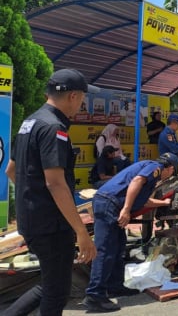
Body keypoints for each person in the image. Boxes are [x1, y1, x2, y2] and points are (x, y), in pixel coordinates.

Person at [3, 68, 99, 316]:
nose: (82, 104)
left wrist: (31, 201)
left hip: (33, 221)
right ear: (73, 96)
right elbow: (55, 183)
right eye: (83, 99)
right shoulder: (54, 128)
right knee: (56, 293)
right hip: (51, 227)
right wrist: (81, 232)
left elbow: (11, 171)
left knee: (50, 285)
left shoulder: (30, 123)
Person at [83, 152, 178, 312]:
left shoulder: (149, 175)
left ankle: (115, 286)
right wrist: (126, 210)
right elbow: (136, 181)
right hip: (109, 203)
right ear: (169, 168)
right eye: (171, 173)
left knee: (118, 247)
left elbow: (144, 200)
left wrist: (163, 203)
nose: (168, 177)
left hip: (110, 203)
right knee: (105, 250)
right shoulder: (155, 167)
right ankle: (94, 295)